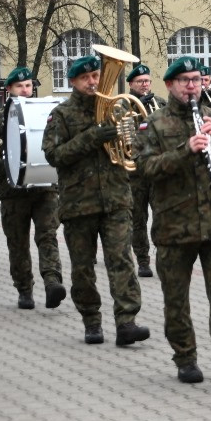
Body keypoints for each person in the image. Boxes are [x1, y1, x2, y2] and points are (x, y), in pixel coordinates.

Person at [139, 56, 211, 385]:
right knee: (177, 301)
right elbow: (144, 170)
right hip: (175, 227)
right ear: (170, 85)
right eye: (185, 80)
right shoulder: (155, 124)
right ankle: (185, 357)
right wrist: (184, 151)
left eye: (197, 80)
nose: (192, 86)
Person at [42, 55, 149, 346]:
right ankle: (91, 320)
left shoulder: (120, 107)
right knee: (82, 267)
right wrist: (92, 137)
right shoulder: (62, 115)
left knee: (121, 261)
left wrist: (130, 142)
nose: (92, 82)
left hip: (115, 198)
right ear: (73, 82)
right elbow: (54, 155)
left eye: (96, 76)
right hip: (79, 203)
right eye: (85, 78)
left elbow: (135, 149)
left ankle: (127, 322)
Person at [0, 67, 66, 310]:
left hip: (45, 188)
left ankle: (52, 281)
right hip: (12, 190)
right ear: (9, 89)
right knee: (17, 242)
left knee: (47, 236)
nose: (25, 90)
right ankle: (24, 288)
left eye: (28, 86)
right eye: (19, 86)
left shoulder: (47, 113)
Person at [126, 63, 165, 278]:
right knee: (138, 219)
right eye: (140, 81)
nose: (145, 84)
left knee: (161, 215)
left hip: (157, 167)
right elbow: (120, 133)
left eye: (147, 81)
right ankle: (142, 260)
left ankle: (163, 256)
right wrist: (136, 108)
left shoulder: (159, 103)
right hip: (135, 172)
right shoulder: (123, 104)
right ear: (131, 84)